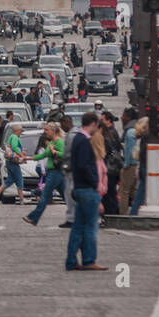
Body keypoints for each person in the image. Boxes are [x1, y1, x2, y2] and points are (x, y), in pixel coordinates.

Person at [65, 112, 106, 271]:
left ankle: (71, 261)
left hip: (80, 188)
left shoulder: (77, 139)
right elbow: (84, 165)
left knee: (78, 227)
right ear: (94, 123)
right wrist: (94, 181)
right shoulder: (84, 141)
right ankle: (89, 260)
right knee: (90, 227)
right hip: (87, 189)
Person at [23, 122, 66, 225]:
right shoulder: (51, 143)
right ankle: (78, 216)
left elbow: (64, 154)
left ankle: (33, 217)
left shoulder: (59, 142)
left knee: (45, 195)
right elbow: (43, 155)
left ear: (53, 131)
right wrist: (28, 158)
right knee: (67, 197)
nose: (45, 132)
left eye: (47, 130)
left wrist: (55, 152)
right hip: (54, 172)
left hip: (55, 172)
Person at [0, 122, 26, 204]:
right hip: (13, 161)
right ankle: (22, 199)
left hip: (9, 161)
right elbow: (15, 147)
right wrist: (21, 154)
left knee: (10, 180)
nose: (21, 133)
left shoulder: (11, 137)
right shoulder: (15, 137)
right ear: (17, 131)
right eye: (20, 131)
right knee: (19, 179)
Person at [100, 111, 123, 215]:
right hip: (111, 168)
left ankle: (112, 213)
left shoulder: (110, 133)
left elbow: (109, 151)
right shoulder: (110, 132)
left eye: (102, 119)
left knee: (110, 193)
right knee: (110, 192)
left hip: (110, 168)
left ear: (108, 121)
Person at [59, 115, 78, 229]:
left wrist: (65, 166)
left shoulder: (71, 136)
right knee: (69, 194)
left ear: (66, 123)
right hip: (73, 169)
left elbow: (68, 154)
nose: (62, 128)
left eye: (62, 125)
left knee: (70, 194)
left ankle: (72, 218)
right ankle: (72, 217)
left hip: (71, 170)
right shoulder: (74, 134)